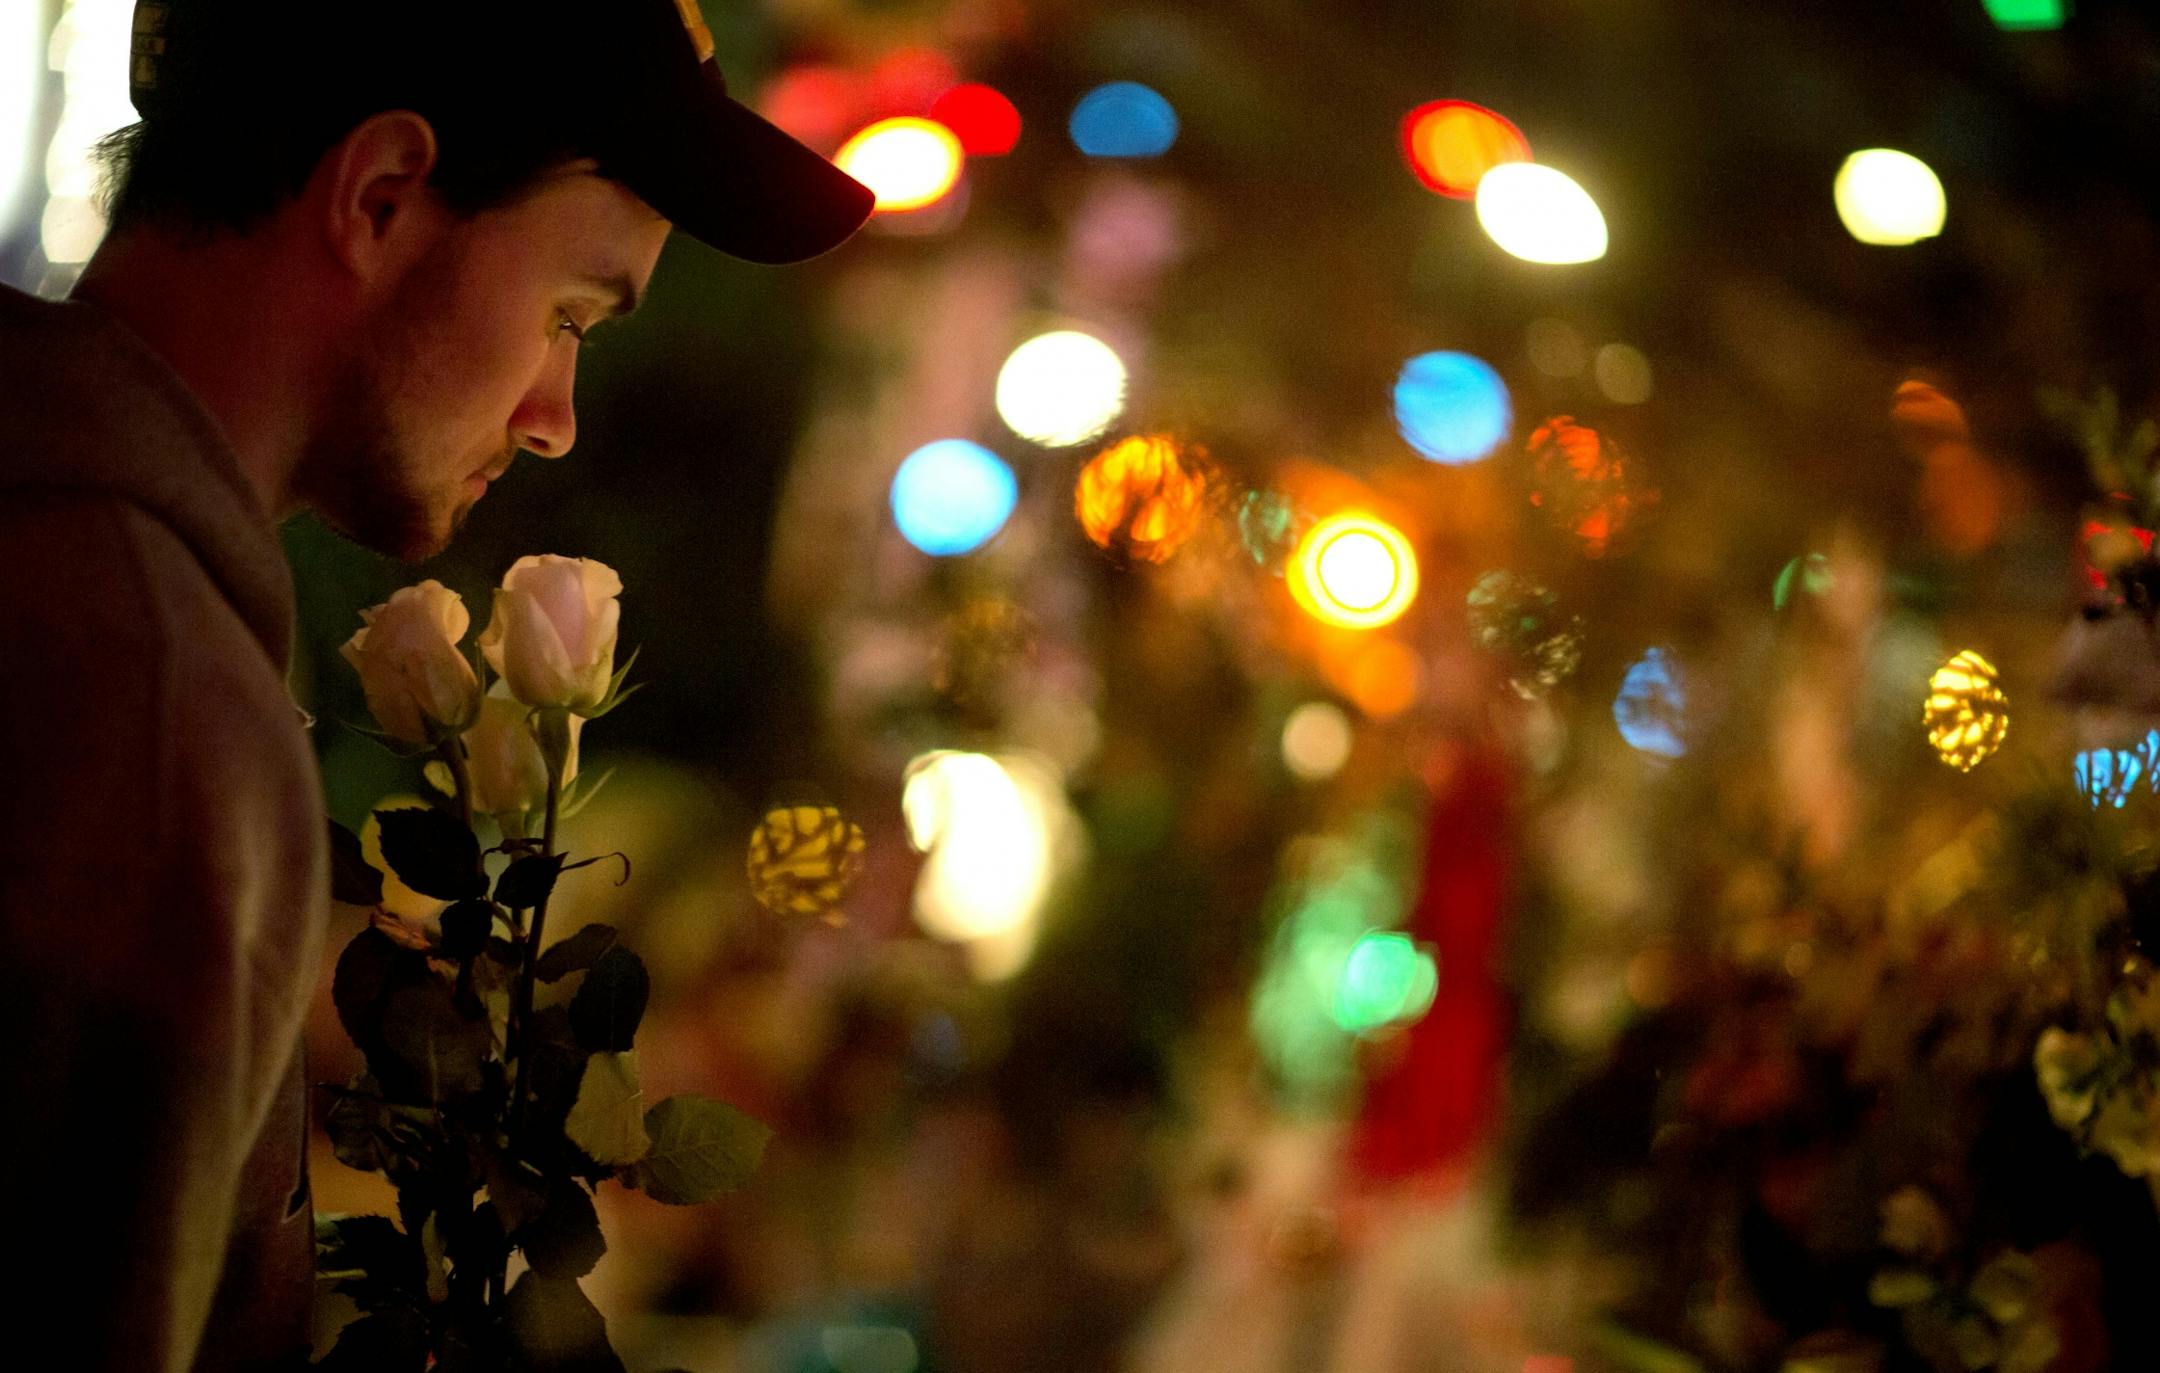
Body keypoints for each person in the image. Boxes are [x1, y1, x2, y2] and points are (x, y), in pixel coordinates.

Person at [0, 2, 872, 1369]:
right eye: (569, 314)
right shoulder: (157, 701)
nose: (553, 413)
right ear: (381, 194)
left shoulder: (84, 555)